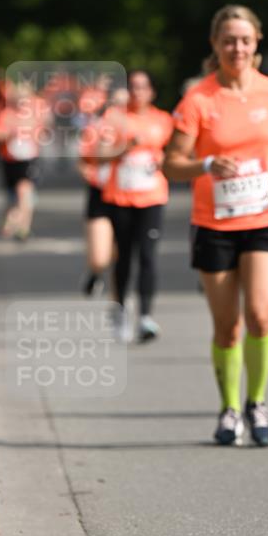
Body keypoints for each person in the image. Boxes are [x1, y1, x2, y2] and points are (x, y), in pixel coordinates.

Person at [163, 5, 268, 447]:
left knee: (259, 315)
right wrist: (206, 164)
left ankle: (257, 403)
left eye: (245, 40)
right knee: (227, 326)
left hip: (264, 218)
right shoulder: (198, 99)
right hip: (213, 223)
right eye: (228, 40)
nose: (237, 48)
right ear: (215, 46)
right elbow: (170, 164)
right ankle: (229, 408)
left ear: (256, 44)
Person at [101, 70, 173, 341]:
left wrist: (162, 159)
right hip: (120, 197)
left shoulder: (163, 120)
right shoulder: (113, 118)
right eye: (132, 87)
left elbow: (175, 153)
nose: (137, 92)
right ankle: (120, 311)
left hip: (152, 197)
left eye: (143, 87)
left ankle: (145, 316)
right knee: (124, 257)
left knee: (147, 255)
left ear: (152, 92)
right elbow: (98, 154)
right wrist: (125, 147)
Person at [77, 86, 127, 297]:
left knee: (120, 255)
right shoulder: (96, 129)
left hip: (129, 196)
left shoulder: (138, 128)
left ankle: (118, 301)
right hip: (100, 193)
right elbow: (83, 160)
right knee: (100, 256)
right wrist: (87, 172)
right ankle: (95, 272)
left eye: (126, 104)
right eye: (116, 103)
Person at [0, 81, 52, 240]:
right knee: (12, 196)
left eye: (26, 97)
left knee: (25, 192)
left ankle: (23, 228)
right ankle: (12, 222)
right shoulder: (7, 114)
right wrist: (9, 134)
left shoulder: (34, 114)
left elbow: (45, 131)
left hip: (28, 160)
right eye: (19, 97)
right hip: (9, 160)